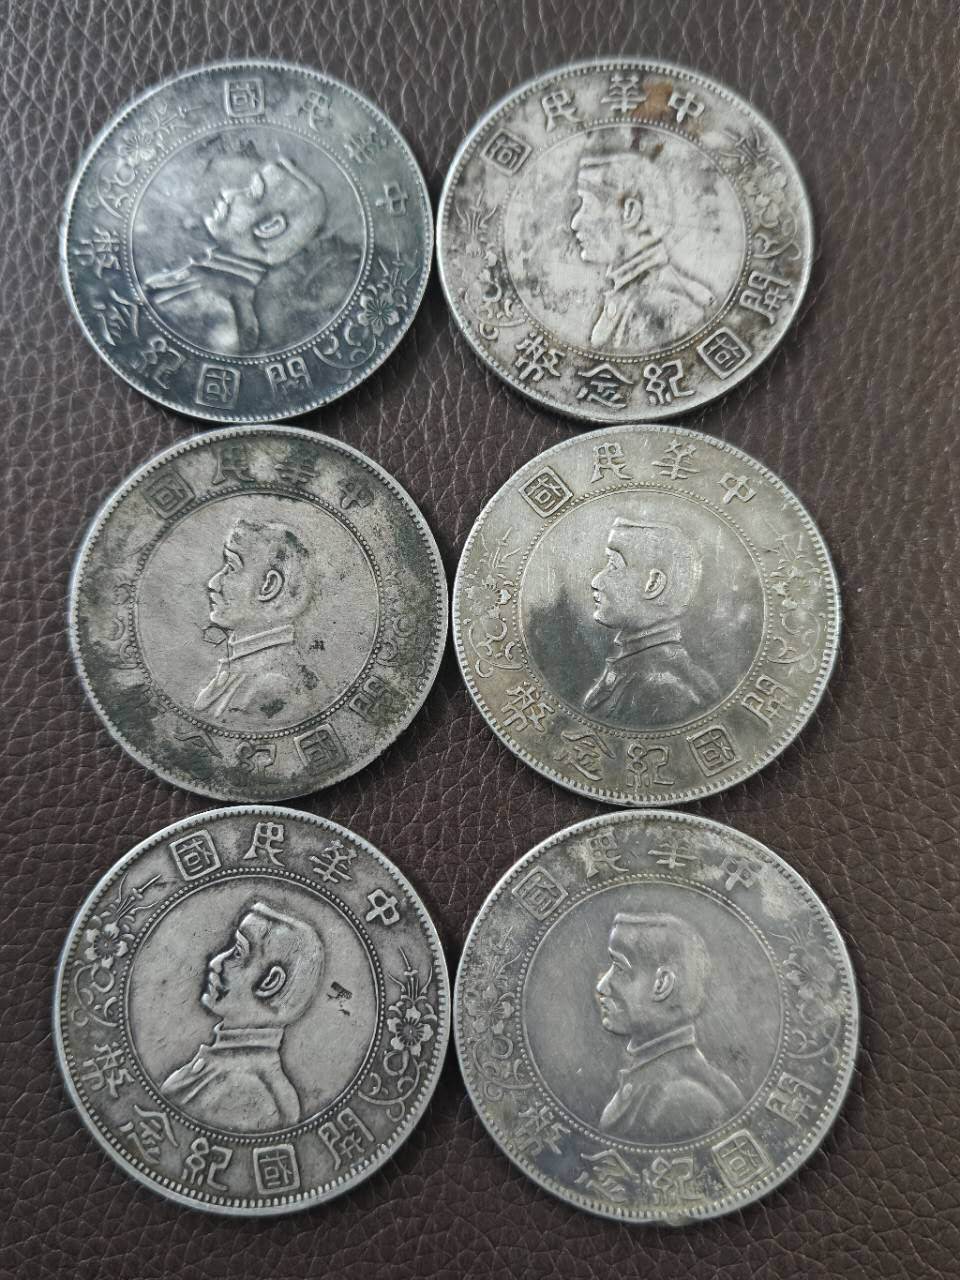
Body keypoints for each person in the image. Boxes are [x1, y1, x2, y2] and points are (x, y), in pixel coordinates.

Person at [161, 900, 324, 1131]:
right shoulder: (225, 1069)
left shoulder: (249, 1093)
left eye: (237, 952)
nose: (216, 962)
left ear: (270, 983)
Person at [144, 155, 327, 354]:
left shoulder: (219, 310)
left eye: (250, 192)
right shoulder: (203, 286)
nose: (227, 193)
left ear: (269, 226)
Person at [595, 912, 744, 1141]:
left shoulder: (682, 1101)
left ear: (662, 984)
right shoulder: (652, 1085)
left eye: (620, 969)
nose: (603, 985)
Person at [570, 150, 714, 351]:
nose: (575, 223)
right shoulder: (631, 294)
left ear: (630, 212)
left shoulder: (661, 306)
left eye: (587, 206)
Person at [584, 517, 720, 724]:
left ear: (653, 584)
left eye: (613, 566)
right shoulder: (638, 671)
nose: (596, 581)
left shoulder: (664, 692)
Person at [195, 516, 314, 720]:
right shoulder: (241, 672)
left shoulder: (274, 686)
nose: (213, 583)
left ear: (268, 586)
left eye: (231, 567)